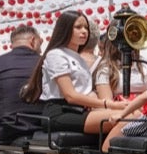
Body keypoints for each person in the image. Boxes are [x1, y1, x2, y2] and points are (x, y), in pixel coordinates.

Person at [20, 10, 129, 140]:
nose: (84, 31)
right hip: (60, 113)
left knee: (134, 114)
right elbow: (70, 95)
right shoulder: (56, 55)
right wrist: (109, 105)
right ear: (65, 29)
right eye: (78, 27)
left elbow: (85, 92)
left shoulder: (78, 58)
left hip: (79, 111)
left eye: (86, 28)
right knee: (126, 118)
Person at [0, 24, 45, 146]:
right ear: (33, 41)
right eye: (41, 42)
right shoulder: (47, 63)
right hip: (41, 131)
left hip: (2, 134)